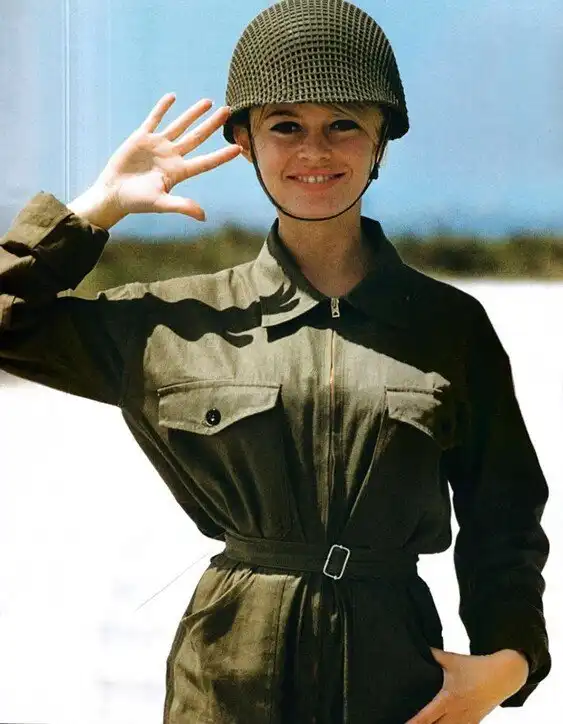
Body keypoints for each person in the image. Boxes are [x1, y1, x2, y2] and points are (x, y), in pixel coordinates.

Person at [0, 0, 550, 722]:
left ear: (381, 141)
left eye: (342, 124)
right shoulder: (176, 320)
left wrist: (508, 662)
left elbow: (504, 518)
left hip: (395, 676)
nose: (314, 151)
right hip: (228, 677)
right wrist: (95, 209)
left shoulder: (449, 326)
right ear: (244, 141)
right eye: (285, 126)